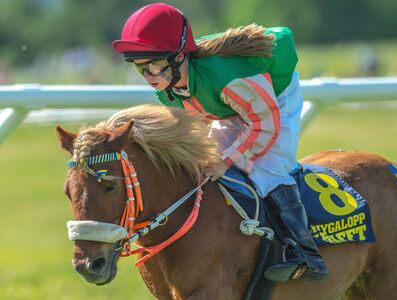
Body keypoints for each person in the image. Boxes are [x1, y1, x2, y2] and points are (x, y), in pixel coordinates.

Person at [112, 2, 327, 282]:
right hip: (233, 105)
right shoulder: (167, 87)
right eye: (141, 69)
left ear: (178, 57)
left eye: (154, 65)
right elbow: (196, 126)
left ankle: (305, 254)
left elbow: (265, 123)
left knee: (268, 169)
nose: (149, 77)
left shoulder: (226, 78)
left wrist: (226, 162)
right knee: (205, 163)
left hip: (274, 100)